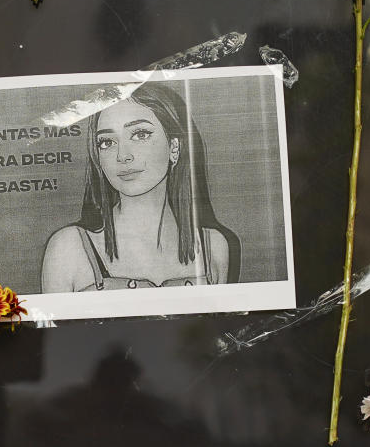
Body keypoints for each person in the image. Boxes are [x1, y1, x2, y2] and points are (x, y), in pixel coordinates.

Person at [40, 83, 239, 293]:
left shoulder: (215, 246)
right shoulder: (68, 248)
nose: (122, 156)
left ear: (174, 147)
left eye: (140, 134)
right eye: (107, 142)